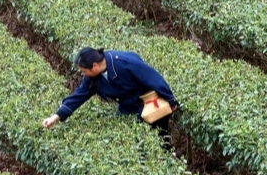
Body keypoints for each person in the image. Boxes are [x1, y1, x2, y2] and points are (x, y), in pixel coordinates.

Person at [42, 48, 178, 148]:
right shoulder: (92, 78)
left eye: (84, 71)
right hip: (127, 107)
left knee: (161, 140)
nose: (83, 74)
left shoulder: (124, 62)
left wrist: (170, 100)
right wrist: (56, 117)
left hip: (148, 103)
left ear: (94, 66)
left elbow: (152, 78)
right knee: (133, 143)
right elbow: (79, 95)